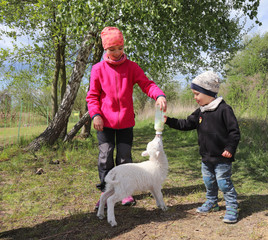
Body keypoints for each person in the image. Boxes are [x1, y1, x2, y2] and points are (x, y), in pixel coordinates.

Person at [86, 26, 167, 209]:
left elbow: (147, 84)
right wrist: (96, 115)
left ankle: (125, 192)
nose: (116, 52)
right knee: (105, 156)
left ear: (123, 47)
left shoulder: (132, 67)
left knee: (124, 157)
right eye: (112, 49)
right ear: (105, 49)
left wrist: (159, 95)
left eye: (120, 48)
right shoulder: (98, 69)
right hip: (104, 123)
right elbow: (92, 96)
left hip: (126, 123)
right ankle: (106, 191)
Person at [165, 71, 240, 223]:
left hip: (222, 157)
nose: (195, 97)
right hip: (206, 157)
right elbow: (186, 124)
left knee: (223, 183)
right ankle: (212, 202)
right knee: (209, 182)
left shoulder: (224, 110)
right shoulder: (201, 111)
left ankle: (232, 206)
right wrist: (169, 121)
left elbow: (234, 132)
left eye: (197, 94)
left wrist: (230, 148)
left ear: (208, 92)